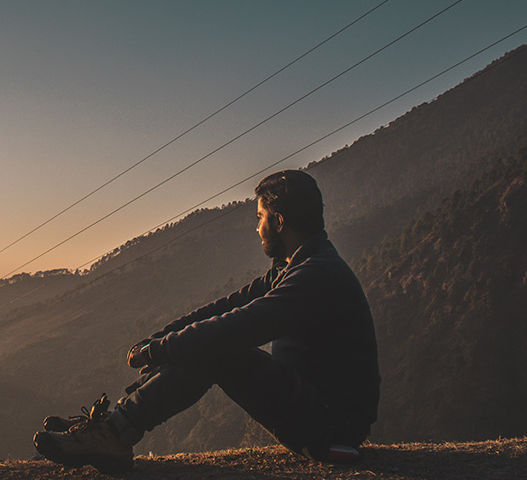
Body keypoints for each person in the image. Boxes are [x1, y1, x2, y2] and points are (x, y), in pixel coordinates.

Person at [33, 170, 380, 473]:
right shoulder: (297, 267)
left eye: (260, 217)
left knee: (219, 348)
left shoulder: (316, 277)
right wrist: (162, 339)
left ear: (279, 222)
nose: (256, 227)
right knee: (208, 341)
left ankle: (115, 433)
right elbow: (227, 306)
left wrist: (161, 350)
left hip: (332, 426)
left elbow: (235, 327)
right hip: (315, 409)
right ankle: (112, 427)